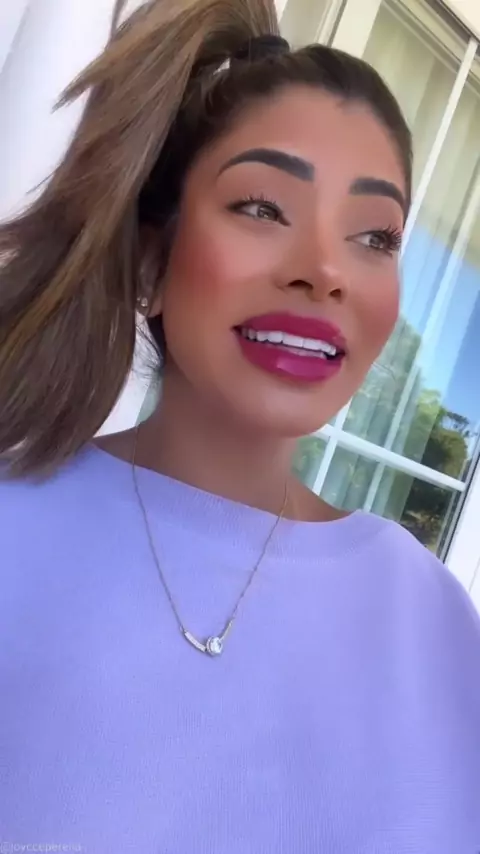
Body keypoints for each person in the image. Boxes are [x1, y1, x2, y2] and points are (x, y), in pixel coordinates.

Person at [0, 0, 479, 850]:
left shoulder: (430, 622)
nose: (324, 271)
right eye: (262, 208)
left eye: (375, 236)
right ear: (153, 260)